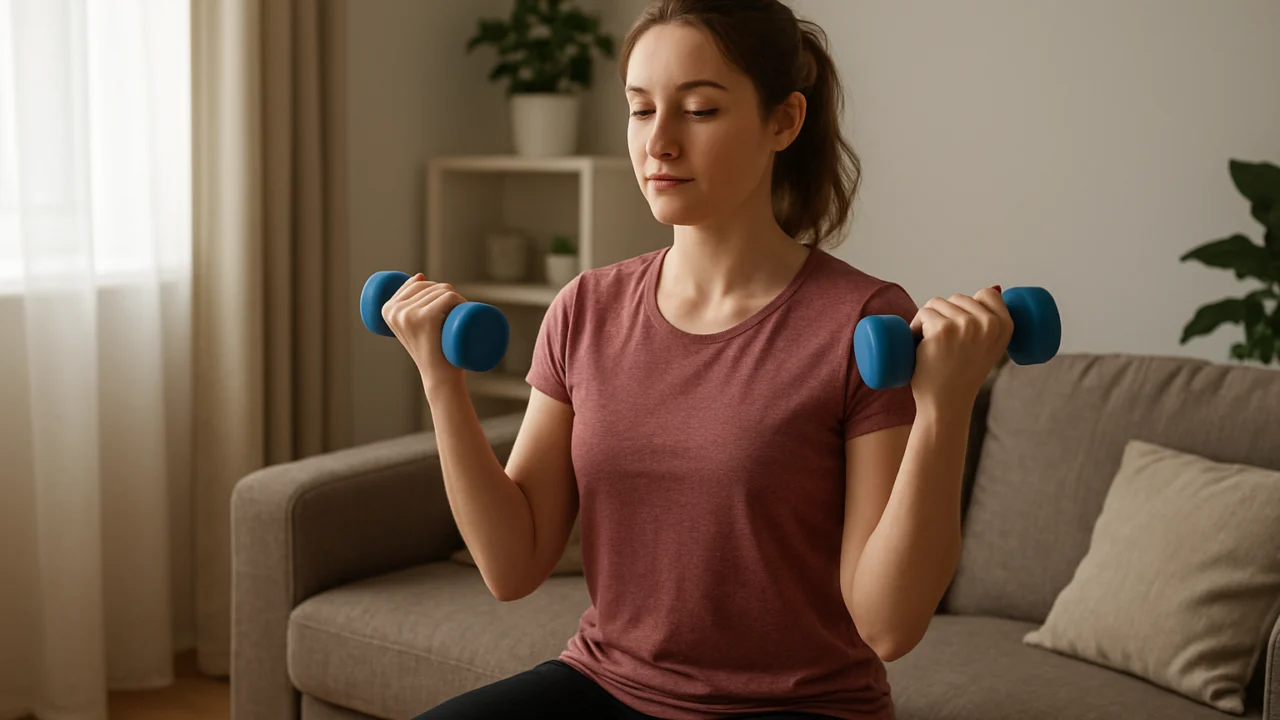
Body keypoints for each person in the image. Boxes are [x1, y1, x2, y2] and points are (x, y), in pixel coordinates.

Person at [388, 1, 1013, 718]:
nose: (659, 142)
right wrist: (442, 382)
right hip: (610, 682)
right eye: (640, 109)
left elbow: (889, 625)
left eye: (700, 111)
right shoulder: (585, 308)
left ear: (784, 121)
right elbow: (512, 564)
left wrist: (945, 407)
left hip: (802, 706)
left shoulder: (864, 323)